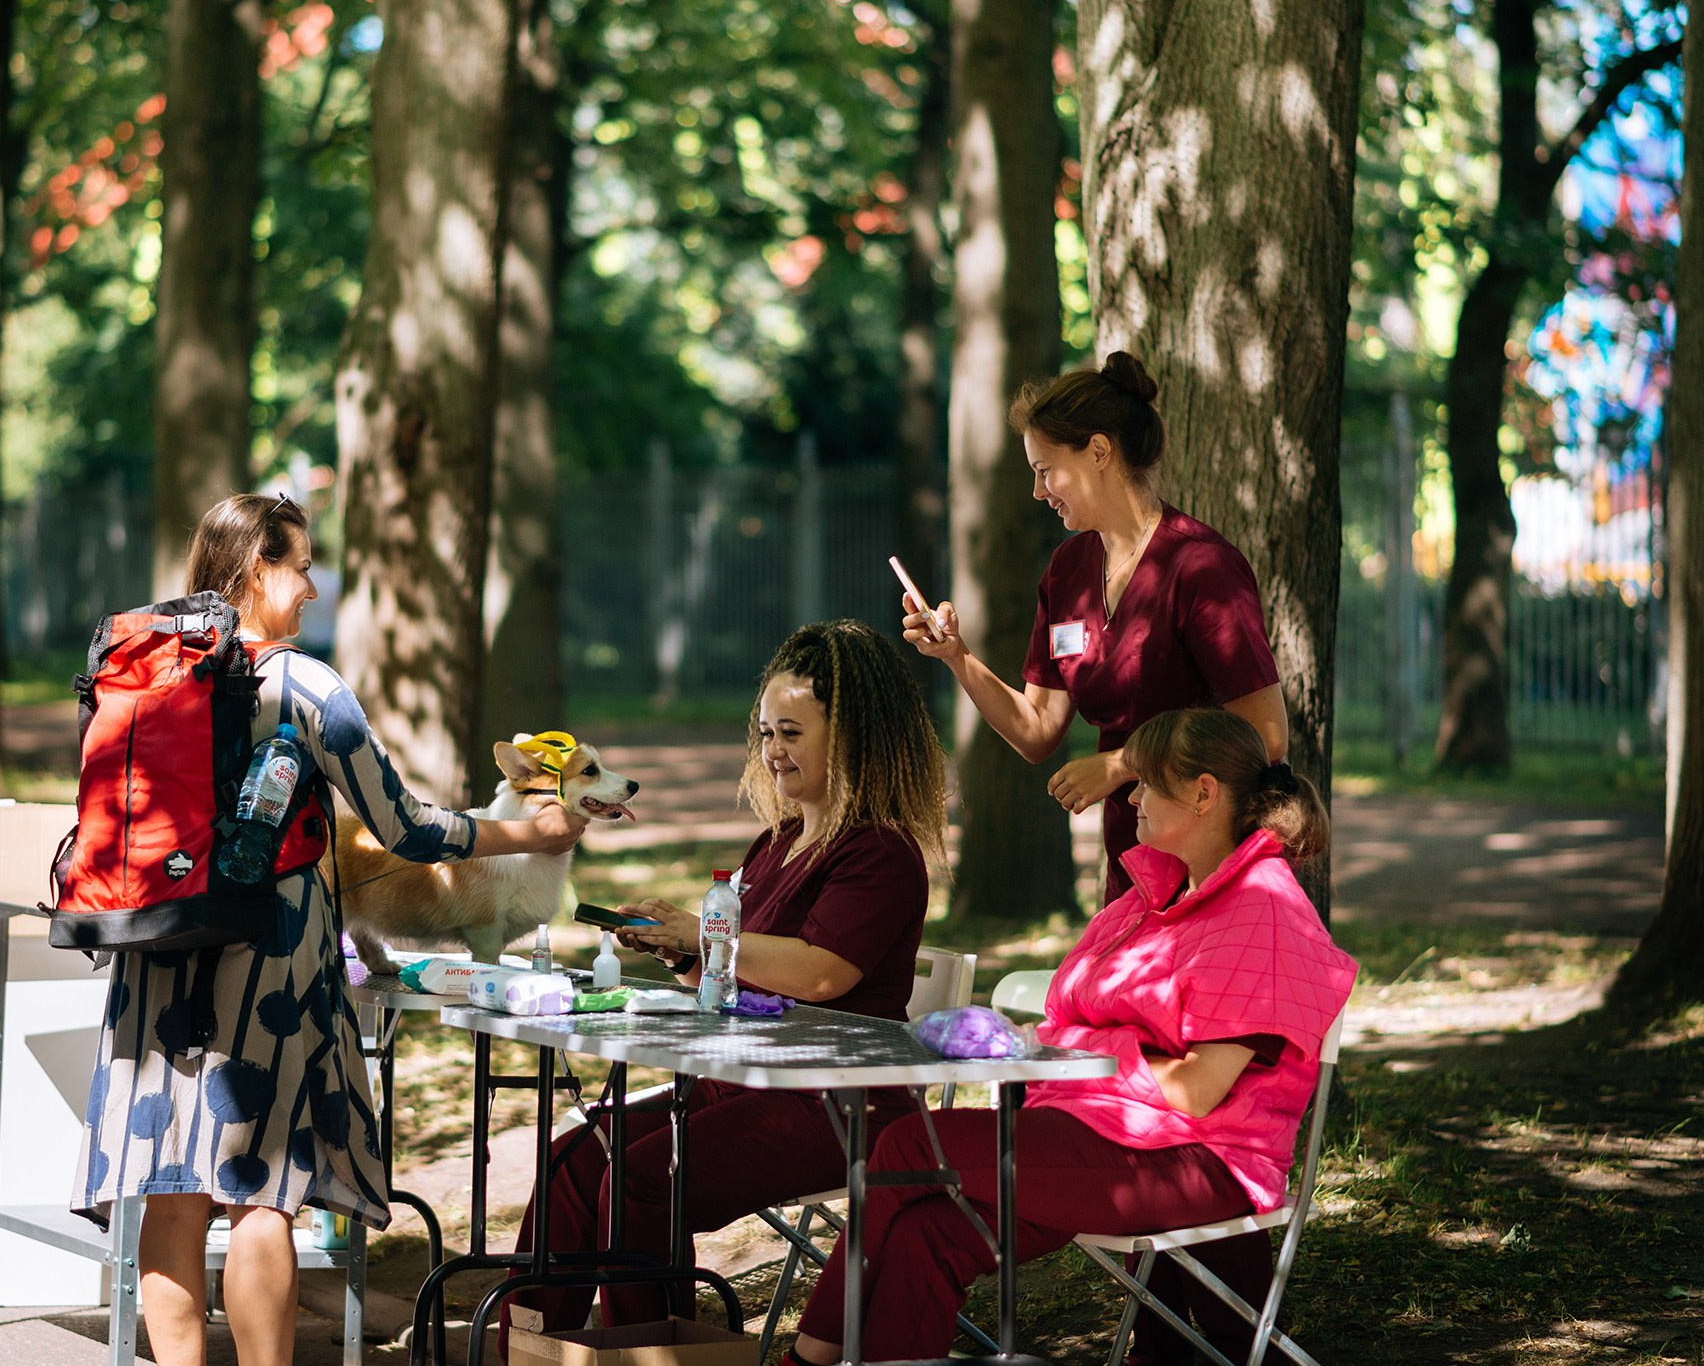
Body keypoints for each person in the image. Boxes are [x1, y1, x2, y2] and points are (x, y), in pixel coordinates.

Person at [72, 492, 588, 1366]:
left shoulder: (143, 664)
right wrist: (527, 834)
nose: (313, 586)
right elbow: (408, 829)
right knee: (261, 1196)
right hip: (266, 964)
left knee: (170, 1194)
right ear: (255, 570)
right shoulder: (307, 685)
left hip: (153, 945)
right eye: (301, 565)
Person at [785, 707, 1355, 1366]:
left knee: (908, 1142)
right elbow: (1074, 1019)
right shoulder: (1152, 895)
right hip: (1101, 1129)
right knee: (926, 1230)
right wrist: (1029, 1041)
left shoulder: (1264, 909)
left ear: (1204, 791)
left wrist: (1071, 1051)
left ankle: (805, 1361)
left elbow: (1196, 1091)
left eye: (1146, 782)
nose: (1131, 795)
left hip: (1201, 1159)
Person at [495, 619, 949, 1357]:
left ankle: (649, 1351)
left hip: (835, 1102)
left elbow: (821, 970)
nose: (772, 750)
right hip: (738, 1078)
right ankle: (531, 1343)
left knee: (643, 1179)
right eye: (767, 731)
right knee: (571, 1159)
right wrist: (683, 952)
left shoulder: (881, 851)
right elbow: (731, 968)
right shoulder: (776, 841)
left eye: (793, 732)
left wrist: (703, 936)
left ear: (855, 734)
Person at [904, 351, 1287, 902]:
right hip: (1129, 860)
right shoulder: (1068, 570)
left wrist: (1122, 763)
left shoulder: (1201, 565)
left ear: (1100, 451)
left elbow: (1267, 737)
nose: (1039, 492)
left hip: (1209, 866)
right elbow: (1037, 730)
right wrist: (956, 657)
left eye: (1044, 470)